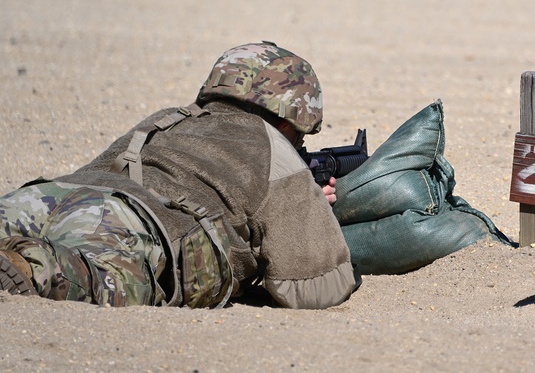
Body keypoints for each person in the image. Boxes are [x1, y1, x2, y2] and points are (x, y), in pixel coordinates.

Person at [0, 41, 358, 309]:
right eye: (300, 137)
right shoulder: (274, 148)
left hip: (51, 194)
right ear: (285, 123)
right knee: (85, 275)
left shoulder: (170, 117)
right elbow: (312, 287)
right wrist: (314, 213)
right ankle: (28, 263)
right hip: (131, 223)